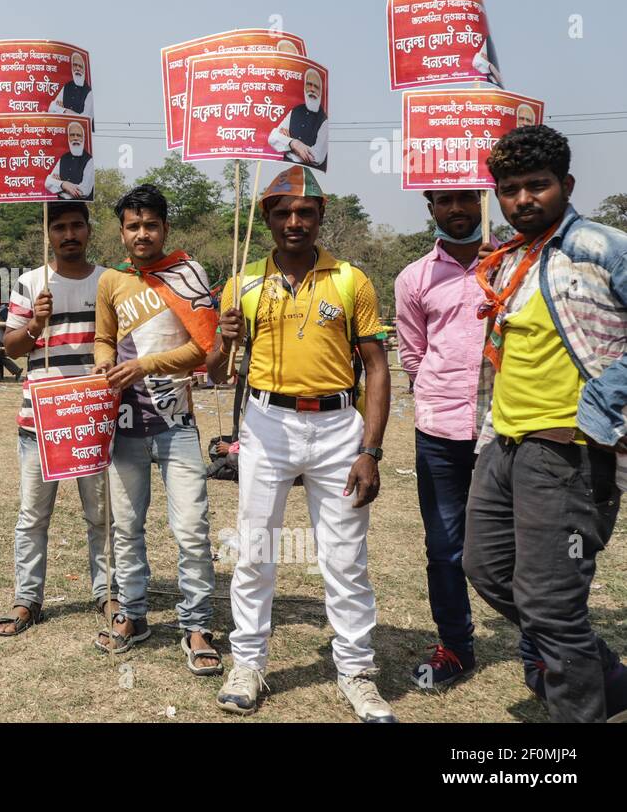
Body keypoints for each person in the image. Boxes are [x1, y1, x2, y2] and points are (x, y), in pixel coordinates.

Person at [207, 166, 394, 722]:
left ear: (320, 215)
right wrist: (225, 338)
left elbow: (377, 369)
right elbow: (216, 373)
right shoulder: (242, 284)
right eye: (283, 212)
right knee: (255, 549)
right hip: (266, 424)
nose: (294, 222)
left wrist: (372, 449)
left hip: (339, 427)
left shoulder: (350, 281)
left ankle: (357, 671)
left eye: (305, 212)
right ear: (265, 217)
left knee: (344, 557)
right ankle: (247, 662)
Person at [463, 124, 627, 723]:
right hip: (503, 445)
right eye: (510, 189)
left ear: (567, 184)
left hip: (569, 452)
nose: (523, 200)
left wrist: (608, 401)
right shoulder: (508, 263)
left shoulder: (603, 247)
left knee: (551, 604)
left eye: (538, 185)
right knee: (485, 569)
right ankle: (601, 674)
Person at [92, 185, 223, 677]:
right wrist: (107, 367)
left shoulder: (188, 275)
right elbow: (103, 339)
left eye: (150, 225)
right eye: (133, 226)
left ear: (165, 228)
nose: (142, 233)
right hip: (124, 423)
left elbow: (204, 349)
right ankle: (134, 614)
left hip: (176, 423)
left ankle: (196, 625)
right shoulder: (112, 283)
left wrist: (145, 364)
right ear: (122, 232)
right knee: (125, 527)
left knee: (191, 528)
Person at [0, 202, 115, 636]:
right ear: (48, 233)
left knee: (101, 515)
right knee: (32, 516)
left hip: (90, 418)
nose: (69, 234)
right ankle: (27, 599)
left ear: (89, 229)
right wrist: (35, 326)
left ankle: (107, 593)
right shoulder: (31, 284)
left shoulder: (108, 282)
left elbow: (120, 342)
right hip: (40, 421)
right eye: (60, 227)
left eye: (77, 226)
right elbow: (9, 347)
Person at [394, 189, 493, 688]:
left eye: (466, 199)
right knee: (444, 547)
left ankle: (541, 650)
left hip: (506, 428)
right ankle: (455, 647)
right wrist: (439, 397)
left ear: (482, 200)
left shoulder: (510, 265)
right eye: (445, 202)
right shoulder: (413, 278)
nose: (458, 210)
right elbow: (412, 355)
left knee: (518, 545)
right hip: (439, 432)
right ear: (430, 208)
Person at [267, 68, 328, 170]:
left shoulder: (324, 120)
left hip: (309, 173)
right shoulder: (295, 111)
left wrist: (286, 143)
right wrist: (293, 143)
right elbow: (272, 137)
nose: (312, 89)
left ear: (320, 92)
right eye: (309, 84)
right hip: (286, 169)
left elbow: (317, 157)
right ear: (304, 87)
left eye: (316, 87)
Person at [44, 120, 94, 200]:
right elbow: (47, 183)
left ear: (83, 138)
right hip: (60, 207)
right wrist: (63, 184)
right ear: (68, 138)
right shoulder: (63, 158)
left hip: (79, 207)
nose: (75, 138)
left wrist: (59, 187)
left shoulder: (89, 160)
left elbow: (83, 191)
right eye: (72, 135)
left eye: (78, 135)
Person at [46, 50, 94, 118]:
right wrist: (65, 111)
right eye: (75, 65)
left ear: (84, 70)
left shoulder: (88, 92)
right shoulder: (67, 86)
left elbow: (86, 118)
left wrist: (61, 110)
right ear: (72, 68)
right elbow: (51, 108)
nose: (77, 68)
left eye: (80, 66)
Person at [0, 302, 21, 381]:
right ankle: (15, 370)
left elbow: (7, 325)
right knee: (1, 357)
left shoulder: (4, 310)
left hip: (0, 337)